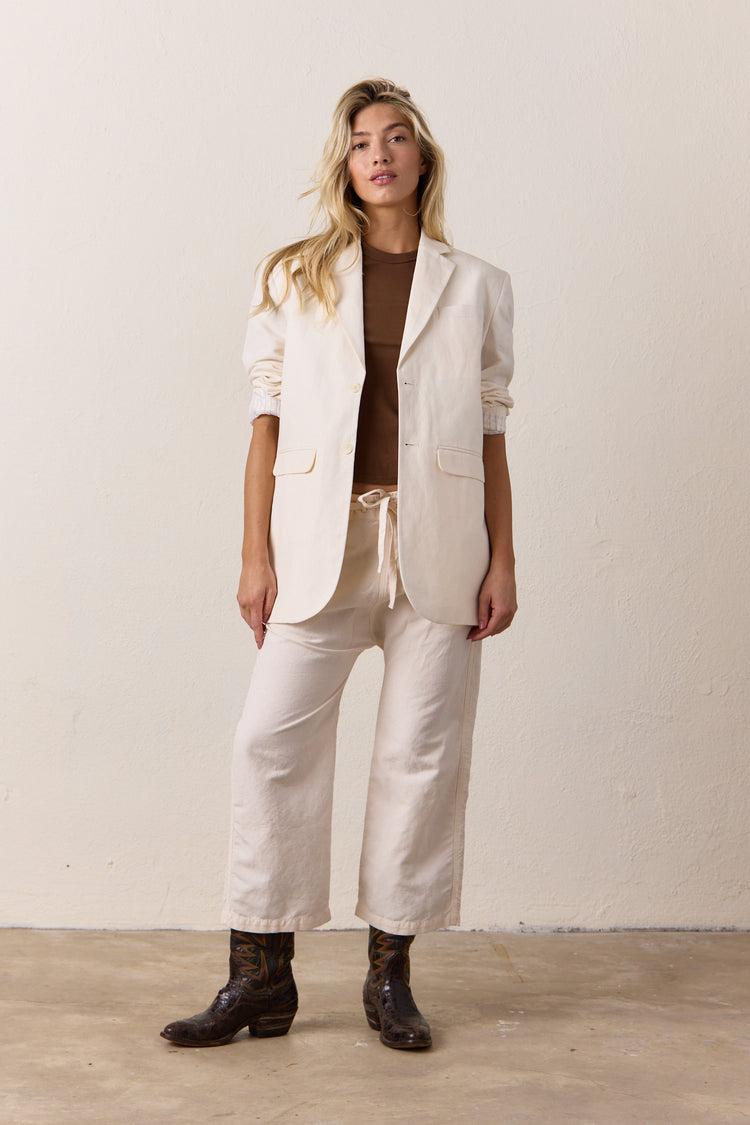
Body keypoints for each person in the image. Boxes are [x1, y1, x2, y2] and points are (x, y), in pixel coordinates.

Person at [161, 77, 516, 1052]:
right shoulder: (296, 274)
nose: (379, 153)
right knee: (267, 744)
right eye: (361, 141)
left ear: (422, 157)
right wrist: (254, 555)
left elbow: (492, 431)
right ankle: (260, 978)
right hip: (320, 545)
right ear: (344, 164)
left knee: (418, 756)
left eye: (396, 137)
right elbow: (264, 425)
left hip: (440, 546)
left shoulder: (478, 285)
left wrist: (504, 558)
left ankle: (389, 977)